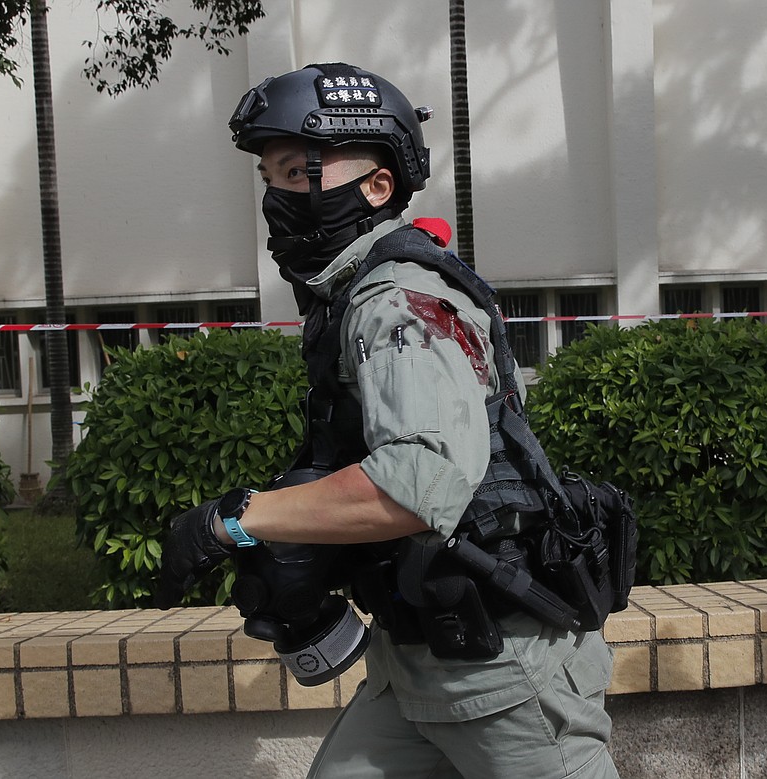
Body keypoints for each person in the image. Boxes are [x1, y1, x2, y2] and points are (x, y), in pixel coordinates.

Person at [157, 62, 619, 778]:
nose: (276, 197)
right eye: (269, 177)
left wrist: (237, 519)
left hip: (504, 671)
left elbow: (419, 482)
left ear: (376, 186)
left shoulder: (397, 298)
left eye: (294, 172)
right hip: (413, 661)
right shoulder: (351, 297)